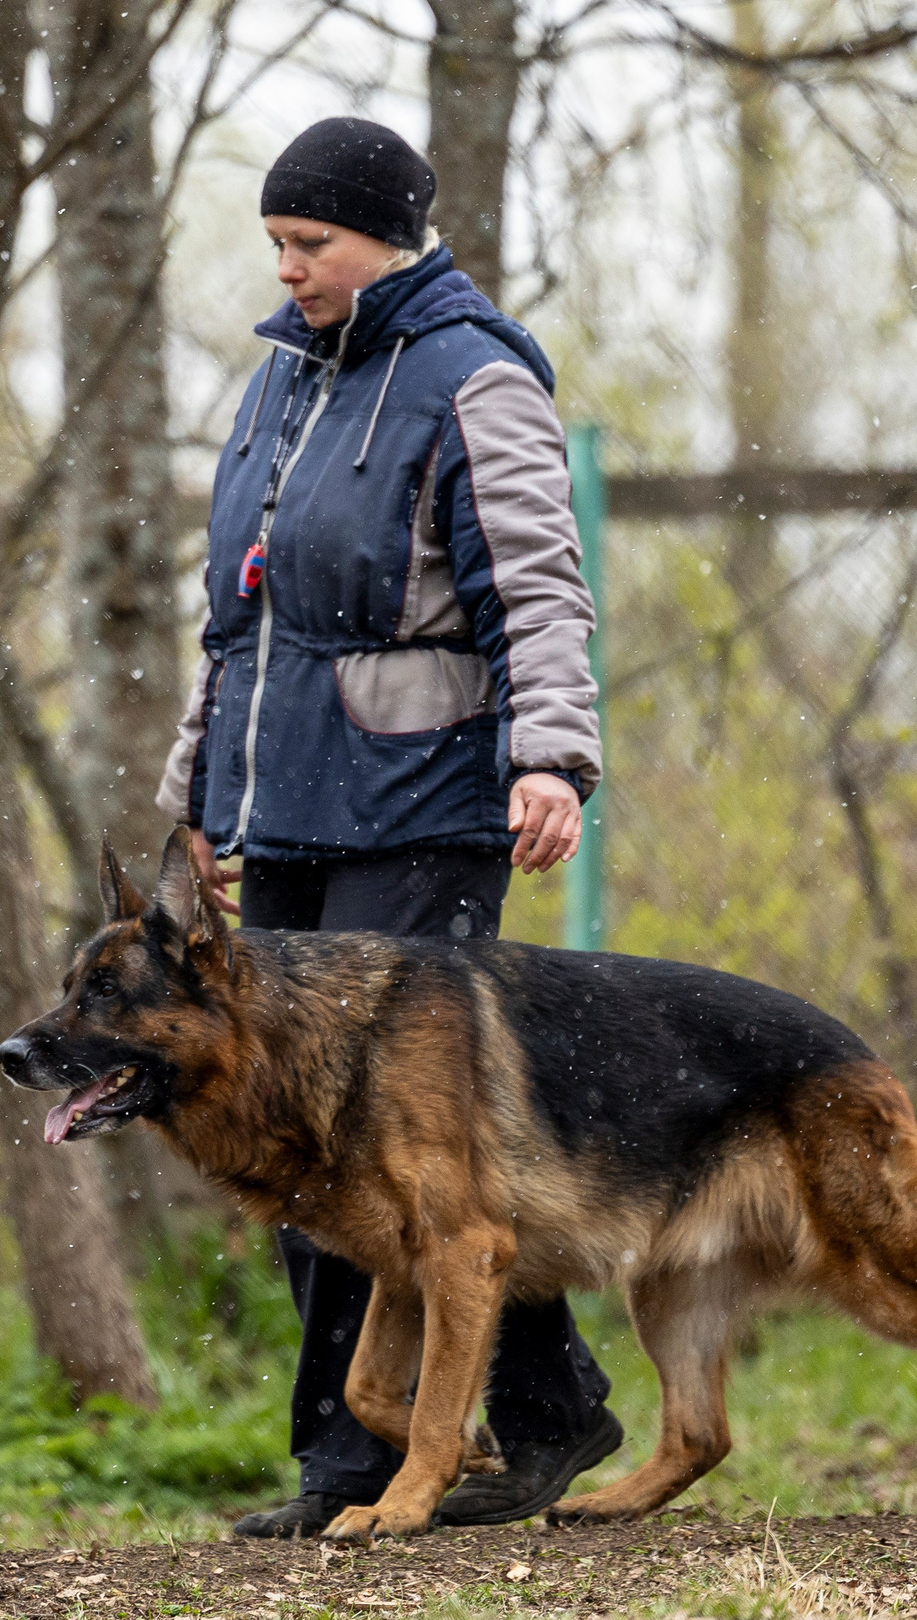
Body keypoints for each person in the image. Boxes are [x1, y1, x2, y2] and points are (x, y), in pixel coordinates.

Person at [155, 117, 621, 1539]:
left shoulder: (475, 377)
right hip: (286, 808)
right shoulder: (281, 386)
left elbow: (539, 587)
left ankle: (432, 1445)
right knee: (296, 1144)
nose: (289, 269)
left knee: (409, 1154)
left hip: (423, 808)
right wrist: (198, 796)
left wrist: (551, 755)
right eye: (279, 245)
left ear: (389, 238)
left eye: (315, 244)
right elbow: (238, 622)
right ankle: (425, 1436)